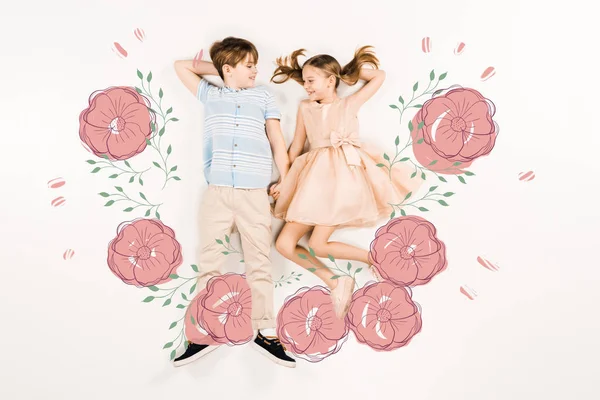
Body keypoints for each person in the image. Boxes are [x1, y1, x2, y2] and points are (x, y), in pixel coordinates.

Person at [172, 37, 295, 368]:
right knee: (209, 259)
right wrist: (223, 66)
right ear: (228, 69)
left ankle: (264, 330)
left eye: (255, 64)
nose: (256, 69)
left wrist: (286, 180)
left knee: (259, 261)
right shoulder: (211, 94)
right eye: (249, 64)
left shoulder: (264, 97)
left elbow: (277, 141)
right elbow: (181, 67)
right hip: (218, 192)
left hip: (255, 193)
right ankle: (202, 333)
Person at [270, 46, 419, 318]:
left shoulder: (348, 103)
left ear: (330, 80)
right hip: (312, 181)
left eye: (311, 80)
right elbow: (296, 147)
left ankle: (373, 260)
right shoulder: (305, 107)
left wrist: (346, 73)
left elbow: (379, 76)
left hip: (342, 182)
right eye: (304, 80)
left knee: (317, 244)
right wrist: (284, 179)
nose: (306, 86)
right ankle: (336, 281)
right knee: (284, 244)